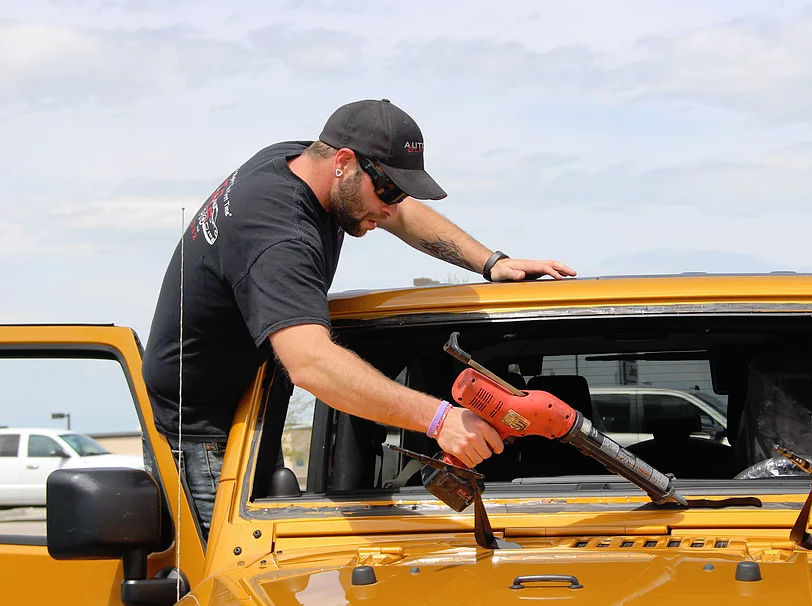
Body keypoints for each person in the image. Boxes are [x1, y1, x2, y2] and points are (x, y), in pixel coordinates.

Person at [141, 98, 576, 538]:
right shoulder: (281, 236)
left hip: (246, 407)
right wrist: (441, 420)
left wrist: (490, 262)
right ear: (344, 163)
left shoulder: (304, 161)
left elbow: (400, 211)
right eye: (387, 190)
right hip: (202, 435)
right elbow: (311, 364)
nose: (389, 208)